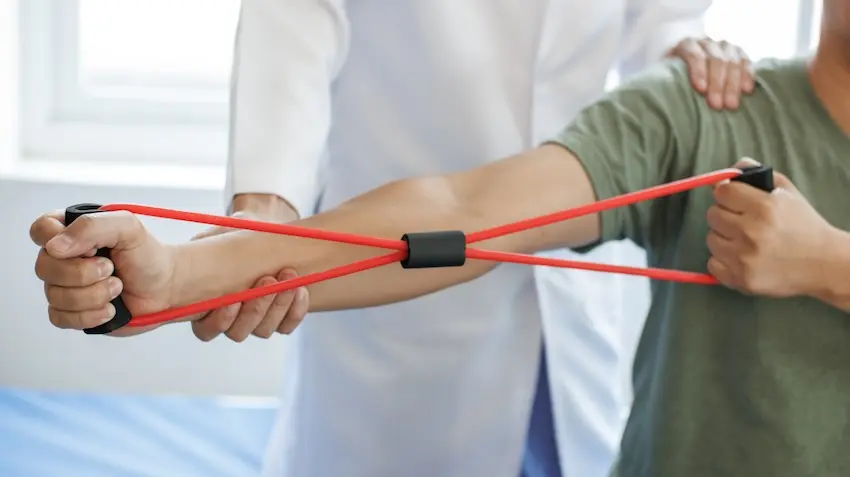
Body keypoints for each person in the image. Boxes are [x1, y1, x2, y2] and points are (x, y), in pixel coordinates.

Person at [31, 0, 850, 474]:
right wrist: (215, 256)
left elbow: (653, 18)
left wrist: (826, 261)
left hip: (574, 307)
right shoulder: (695, 121)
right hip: (398, 312)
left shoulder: (712, 118)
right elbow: (465, 204)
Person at [182, 1, 753, 476]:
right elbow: (296, 17)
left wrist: (682, 50)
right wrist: (266, 207)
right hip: (395, 279)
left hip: (565, 268)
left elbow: (659, 17)